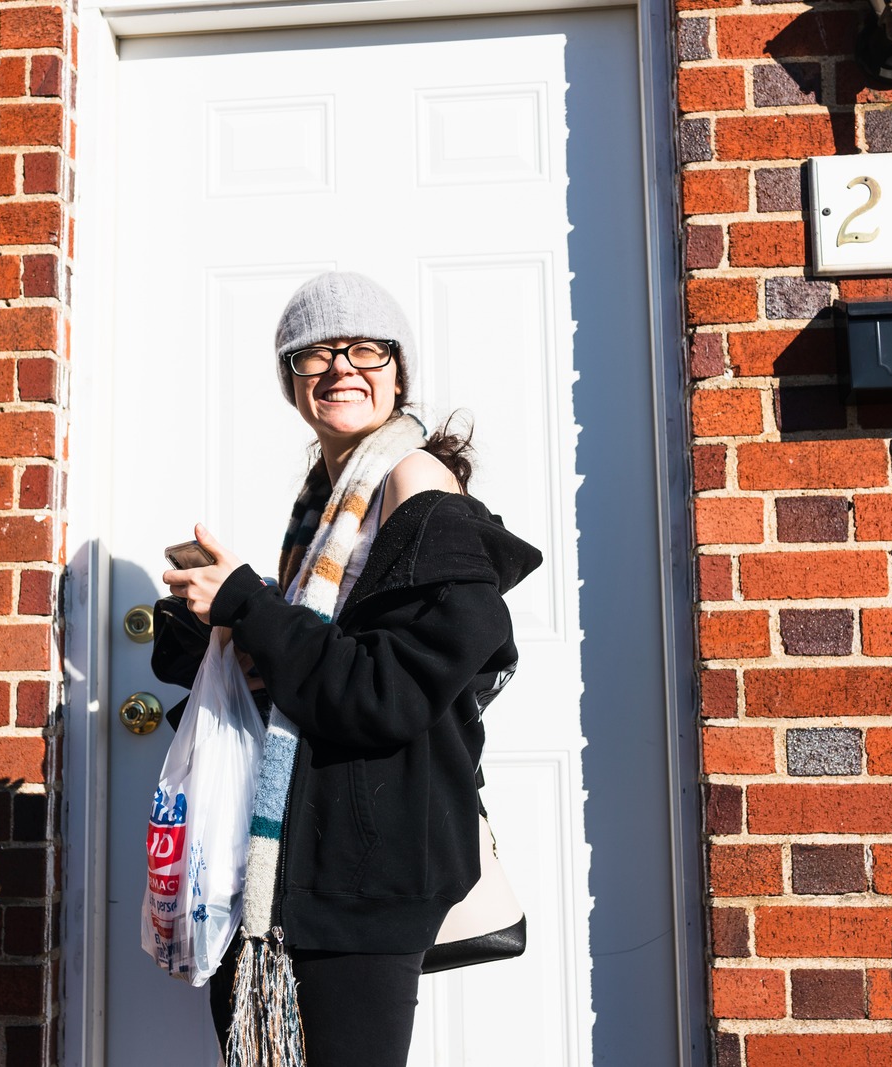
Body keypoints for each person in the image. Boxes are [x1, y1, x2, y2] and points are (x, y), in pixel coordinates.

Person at [151, 271, 541, 1067]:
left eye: (365, 348)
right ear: (291, 379)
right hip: (302, 871)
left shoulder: (423, 497)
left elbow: (382, 692)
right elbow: (306, 675)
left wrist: (251, 609)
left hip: (365, 878)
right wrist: (218, 630)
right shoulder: (326, 508)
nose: (341, 369)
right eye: (315, 354)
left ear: (399, 372)